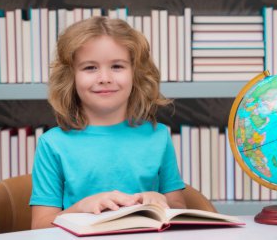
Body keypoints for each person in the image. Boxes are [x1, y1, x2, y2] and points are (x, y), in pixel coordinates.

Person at [29, 16, 186, 229]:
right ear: (70, 77)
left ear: (136, 74)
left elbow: (178, 207)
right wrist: (82, 207)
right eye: (90, 68)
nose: (104, 77)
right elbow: (38, 227)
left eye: (117, 66)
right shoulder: (52, 143)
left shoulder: (158, 136)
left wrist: (159, 200)